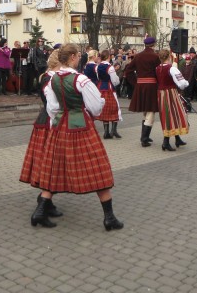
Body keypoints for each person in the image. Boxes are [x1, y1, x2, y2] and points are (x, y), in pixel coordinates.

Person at [31, 44, 123, 231]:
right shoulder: (81, 80)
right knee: (97, 167)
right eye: (78, 55)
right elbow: (96, 107)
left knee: (54, 167)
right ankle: (109, 218)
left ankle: (39, 212)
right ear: (72, 57)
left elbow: (52, 108)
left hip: (59, 126)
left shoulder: (52, 79)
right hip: (80, 126)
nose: (80, 58)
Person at [19, 51, 63, 218]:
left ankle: (47, 203)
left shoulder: (50, 76)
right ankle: (43, 203)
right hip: (48, 123)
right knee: (49, 163)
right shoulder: (49, 78)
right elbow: (53, 105)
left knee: (53, 164)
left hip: (49, 121)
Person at [125, 36, 161, 147]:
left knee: (146, 110)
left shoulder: (138, 56)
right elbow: (158, 72)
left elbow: (128, 70)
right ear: (153, 44)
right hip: (151, 86)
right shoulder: (155, 57)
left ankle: (144, 136)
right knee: (150, 111)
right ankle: (144, 138)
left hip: (141, 85)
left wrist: (135, 83)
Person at [156, 49, 189, 151]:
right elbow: (181, 84)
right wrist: (186, 83)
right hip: (170, 93)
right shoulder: (172, 69)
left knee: (172, 115)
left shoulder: (157, 68)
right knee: (171, 116)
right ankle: (165, 142)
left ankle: (177, 138)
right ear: (169, 57)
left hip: (161, 94)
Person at [96, 50, 122, 139]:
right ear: (108, 57)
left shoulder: (98, 67)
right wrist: (117, 82)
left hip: (100, 88)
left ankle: (106, 132)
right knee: (115, 108)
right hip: (109, 89)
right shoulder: (110, 68)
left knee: (105, 109)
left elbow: (98, 77)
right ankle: (113, 130)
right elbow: (115, 80)